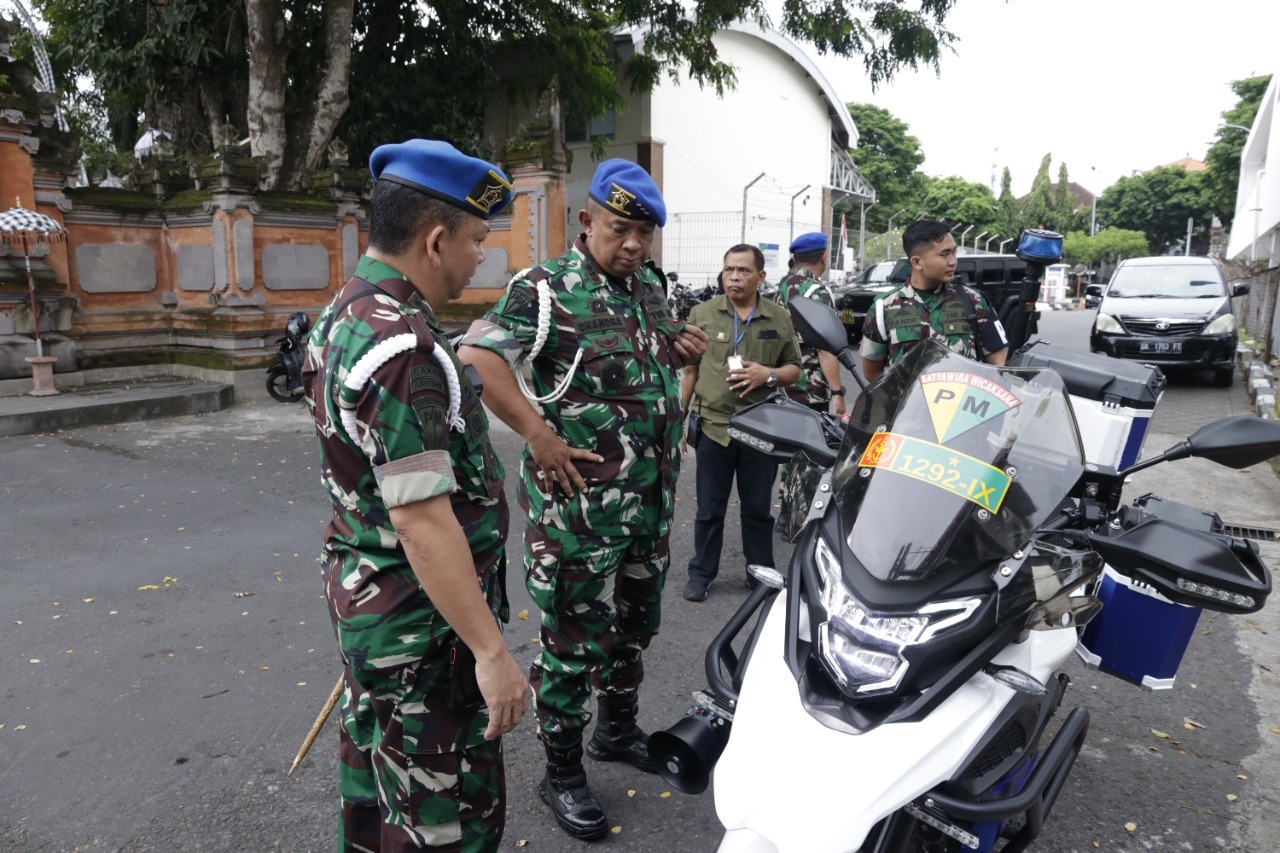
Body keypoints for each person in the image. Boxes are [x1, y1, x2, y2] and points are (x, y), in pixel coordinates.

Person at [458, 159, 709, 840]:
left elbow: (648, 355)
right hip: (578, 520)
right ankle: (561, 769)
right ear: (588, 220)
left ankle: (616, 731)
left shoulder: (649, 286)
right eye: (621, 228)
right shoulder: (545, 289)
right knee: (573, 640)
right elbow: (477, 357)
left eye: (645, 233)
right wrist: (536, 433)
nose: (633, 244)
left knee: (633, 628)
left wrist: (679, 348)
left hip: (647, 508)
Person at [302, 139, 529, 852]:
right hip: (423, 637)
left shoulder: (346, 311)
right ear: (435, 240)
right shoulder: (400, 350)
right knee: (444, 820)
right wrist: (491, 653)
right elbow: (421, 519)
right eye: (477, 242)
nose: (481, 260)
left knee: (376, 800)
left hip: (377, 612)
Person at [681, 244, 802, 602]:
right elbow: (689, 371)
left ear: (761, 277)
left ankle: (759, 572)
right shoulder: (702, 313)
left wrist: (768, 375)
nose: (734, 276)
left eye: (744, 270)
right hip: (713, 427)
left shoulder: (778, 317)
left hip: (761, 429)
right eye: (729, 269)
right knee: (709, 509)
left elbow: (794, 369)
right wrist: (677, 420)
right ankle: (701, 572)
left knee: (757, 509)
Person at [861, 218, 1008, 381]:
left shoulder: (973, 301)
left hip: (963, 404)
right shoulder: (884, 308)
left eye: (954, 252)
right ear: (917, 262)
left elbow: (998, 367)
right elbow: (872, 373)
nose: (953, 261)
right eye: (945, 254)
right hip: (909, 406)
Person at [776, 232, 847, 415]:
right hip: (809, 390)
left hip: (783, 384)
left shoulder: (783, 286)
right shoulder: (817, 291)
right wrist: (837, 392)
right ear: (824, 256)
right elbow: (825, 348)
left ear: (794, 258)